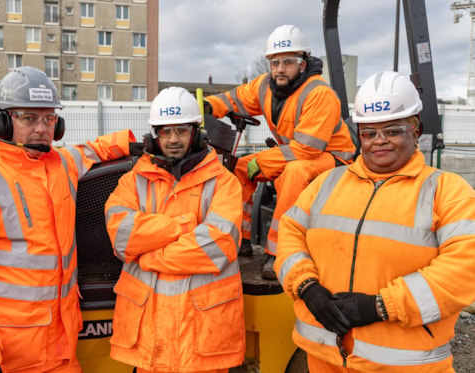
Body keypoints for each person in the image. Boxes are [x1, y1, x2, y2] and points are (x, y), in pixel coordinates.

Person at [0, 66, 142, 373]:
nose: (42, 128)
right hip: (6, 360)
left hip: (61, 354)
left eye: (49, 118)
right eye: (29, 118)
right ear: (2, 121)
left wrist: (139, 142)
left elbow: (93, 150)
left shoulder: (61, 165)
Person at [274, 70, 475, 372]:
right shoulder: (326, 184)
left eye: (393, 131)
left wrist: (382, 306)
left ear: (415, 130)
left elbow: (464, 268)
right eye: (369, 133)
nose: (379, 142)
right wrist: (306, 286)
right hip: (323, 358)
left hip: (404, 366)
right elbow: (290, 234)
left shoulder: (446, 191)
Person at [105, 86, 245, 373]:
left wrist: (148, 257)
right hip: (150, 342)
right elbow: (122, 236)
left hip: (202, 340)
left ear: (196, 133)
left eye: (180, 130)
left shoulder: (224, 183)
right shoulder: (132, 182)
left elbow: (217, 247)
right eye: (164, 132)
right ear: (154, 135)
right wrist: (183, 225)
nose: (172, 140)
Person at [204, 24, 357, 280]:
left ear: (303, 64)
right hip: (292, 153)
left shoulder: (319, 93)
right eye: (275, 63)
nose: (280, 69)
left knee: (293, 174)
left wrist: (262, 162)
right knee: (238, 168)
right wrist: (206, 107)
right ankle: (240, 239)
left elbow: (308, 149)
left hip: (334, 159)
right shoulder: (265, 86)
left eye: (288, 62)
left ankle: (279, 251)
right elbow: (234, 99)